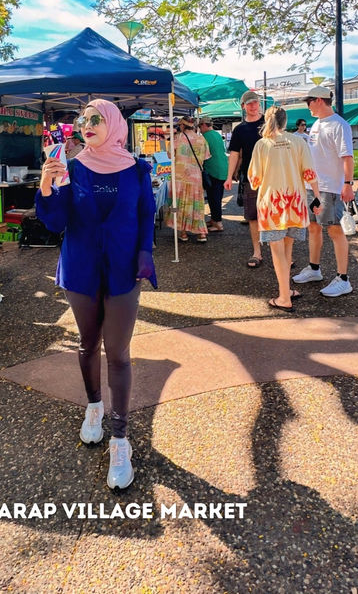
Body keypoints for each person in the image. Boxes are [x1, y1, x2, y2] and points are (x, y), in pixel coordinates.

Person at [36, 99, 156, 490]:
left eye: (95, 119)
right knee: (88, 343)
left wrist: (144, 260)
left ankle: (120, 439)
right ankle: (93, 408)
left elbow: (145, 218)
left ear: (115, 125)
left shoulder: (138, 170)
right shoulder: (71, 168)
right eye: (83, 119)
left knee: (118, 353)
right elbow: (55, 222)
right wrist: (46, 185)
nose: (86, 125)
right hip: (81, 269)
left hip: (123, 273)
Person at [248, 106, 321, 309]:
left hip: (272, 204)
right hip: (295, 203)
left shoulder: (262, 145)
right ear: (285, 120)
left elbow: (254, 179)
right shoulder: (298, 141)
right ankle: (286, 290)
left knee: (276, 250)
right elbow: (309, 173)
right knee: (288, 249)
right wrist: (317, 197)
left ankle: (284, 297)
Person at [292, 85, 355, 297]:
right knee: (313, 227)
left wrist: (348, 184)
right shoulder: (317, 124)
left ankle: (343, 279)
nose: (307, 106)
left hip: (330, 188)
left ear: (319, 100)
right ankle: (314, 268)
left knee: (334, 229)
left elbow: (347, 157)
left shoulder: (339, 125)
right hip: (314, 187)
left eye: (308, 101)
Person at [224, 90, 265, 267]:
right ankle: (257, 252)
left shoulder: (269, 123)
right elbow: (234, 153)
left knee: (276, 214)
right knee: (253, 216)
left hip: (273, 176)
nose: (253, 106)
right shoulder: (239, 129)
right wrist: (228, 176)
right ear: (243, 106)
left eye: (255, 102)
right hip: (251, 177)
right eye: (249, 103)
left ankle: (283, 252)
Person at [165, 116, 210, 243]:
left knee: (180, 204)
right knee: (196, 204)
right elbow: (206, 156)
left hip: (180, 177)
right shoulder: (201, 139)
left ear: (182, 126)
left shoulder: (177, 138)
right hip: (195, 178)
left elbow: (169, 155)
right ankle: (201, 233)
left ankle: (183, 233)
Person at [198, 116, 228, 231]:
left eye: (200, 126)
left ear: (204, 125)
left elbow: (202, 155)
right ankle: (214, 219)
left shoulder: (204, 137)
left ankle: (218, 223)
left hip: (213, 169)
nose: (200, 129)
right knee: (217, 196)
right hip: (223, 168)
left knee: (213, 197)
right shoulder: (216, 135)